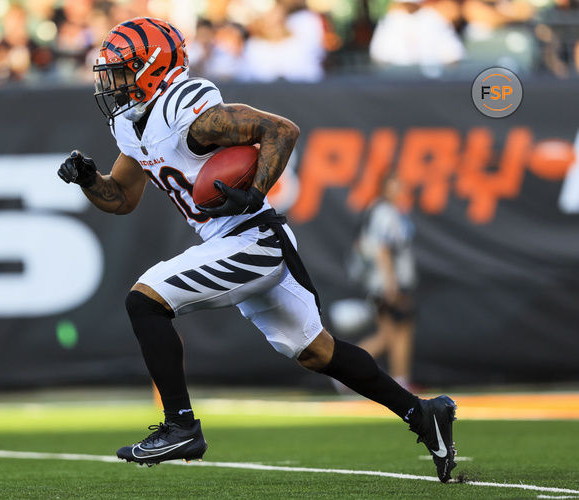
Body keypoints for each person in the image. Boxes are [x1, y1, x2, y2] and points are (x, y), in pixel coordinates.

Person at [57, 17, 457, 482]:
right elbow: (121, 199)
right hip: (237, 241)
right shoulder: (133, 124)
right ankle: (421, 413)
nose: (114, 83)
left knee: (144, 300)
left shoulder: (184, 111)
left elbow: (281, 130)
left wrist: (256, 188)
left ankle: (181, 425)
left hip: (251, 237)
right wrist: (89, 180)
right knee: (316, 351)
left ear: (153, 69)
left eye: (123, 72)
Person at [355, 174, 417, 391]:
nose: (399, 190)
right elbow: (382, 249)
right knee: (391, 334)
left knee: (397, 332)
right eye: (394, 186)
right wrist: (391, 283)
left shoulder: (385, 211)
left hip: (388, 281)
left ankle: (401, 380)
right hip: (386, 282)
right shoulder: (384, 212)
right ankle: (343, 370)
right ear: (384, 188)